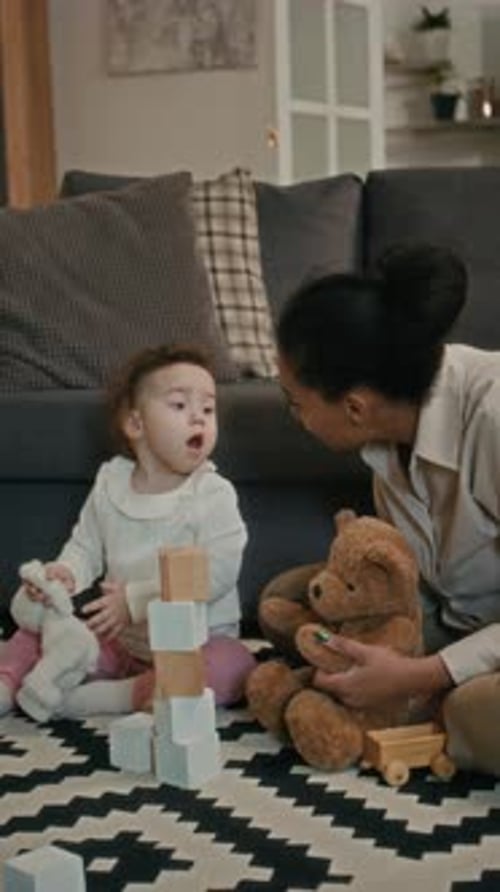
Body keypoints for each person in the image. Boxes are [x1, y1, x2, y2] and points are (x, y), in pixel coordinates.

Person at [276, 242, 500, 775]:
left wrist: (421, 675)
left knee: (476, 710)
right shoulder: (384, 442)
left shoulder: (493, 415)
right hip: (470, 623)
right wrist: (379, 647)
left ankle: (446, 710)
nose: (295, 419)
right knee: (287, 599)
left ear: (354, 407)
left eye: (296, 402)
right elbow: (416, 583)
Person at [0, 344, 255, 718]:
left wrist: (134, 601)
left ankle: (119, 696)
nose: (199, 418)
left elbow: (215, 573)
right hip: (121, 640)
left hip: (193, 641)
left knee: (234, 664)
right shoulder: (112, 483)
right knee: (39, 634)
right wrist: (66, 573)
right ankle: (7, 684)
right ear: (136, 424)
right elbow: (85, 545)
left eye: (208, 408)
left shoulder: (212, 493)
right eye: (180, 406)